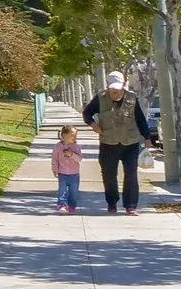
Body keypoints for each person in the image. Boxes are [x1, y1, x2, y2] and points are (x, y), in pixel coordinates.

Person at [91, 70, 158, 214]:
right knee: (109, 175)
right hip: (108, 143)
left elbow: (140, 119)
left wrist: (147, 138)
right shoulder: (100, 98)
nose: (115, 92)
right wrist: (93, 125)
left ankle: (131, 205)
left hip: (130, 143)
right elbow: (86, 113)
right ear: (108, 87)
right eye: (113, 90)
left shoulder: (132, 98)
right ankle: (112, 202)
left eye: (118, 89)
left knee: (131, 175)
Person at [51, 124, 83, 213]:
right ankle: (62, 205)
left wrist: (72, 155)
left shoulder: (76, 147)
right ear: (64, 135)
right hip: (62, 173)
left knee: (74, 192)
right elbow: (54, 159)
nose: (74, 137)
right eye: (72, 135)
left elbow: (80, 159)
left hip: (74, 174)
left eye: (75, 135)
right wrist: (55, 170)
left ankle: (72, 206)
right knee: (62, 191)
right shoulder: (58, 147)